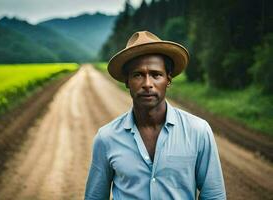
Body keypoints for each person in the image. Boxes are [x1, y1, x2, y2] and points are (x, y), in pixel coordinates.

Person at [85, 31, 226, 199]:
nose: (147, 84)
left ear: (168, 79)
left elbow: (214, 195)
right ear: (127, 82)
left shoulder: (198, 131)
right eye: (138, 75)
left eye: (156, 74)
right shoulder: (106, 138)